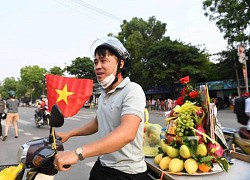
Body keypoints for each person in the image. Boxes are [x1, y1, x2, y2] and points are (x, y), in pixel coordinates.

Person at [53, 37, 148, 179]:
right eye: (96, 62)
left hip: (127, 172)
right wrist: (70, 133)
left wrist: (78, 153)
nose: (97, 66)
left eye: (104, 61)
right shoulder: (104, 93)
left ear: (121, 64)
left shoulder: (132, 90)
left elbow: (127, 133)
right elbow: (98, 122)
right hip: (103, 164)